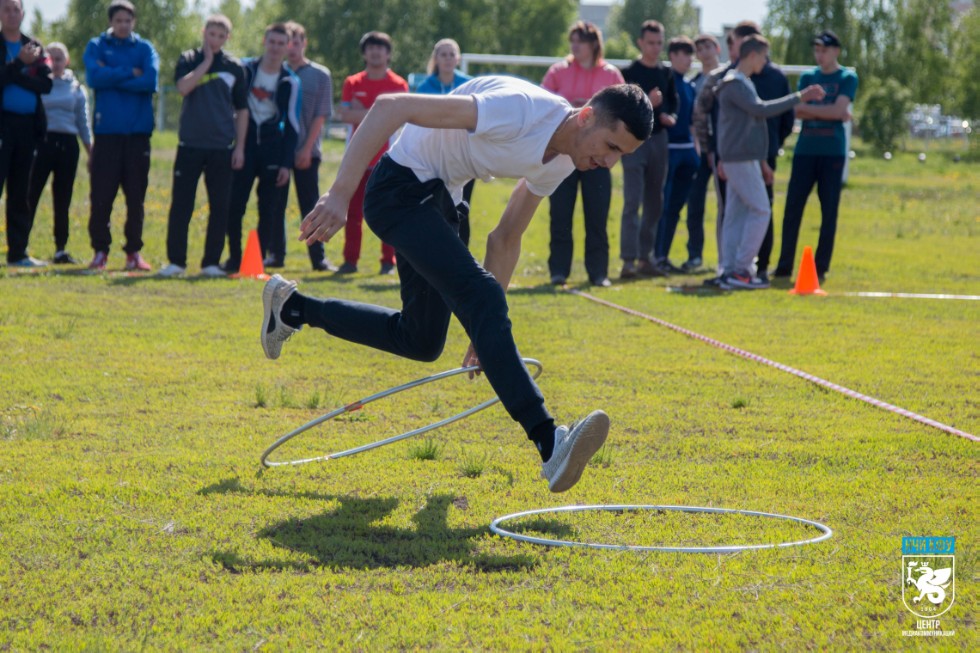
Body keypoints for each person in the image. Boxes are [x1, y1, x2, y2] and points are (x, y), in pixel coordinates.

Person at [261, 77, 653, 492]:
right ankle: (549, 441)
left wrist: (486, 335)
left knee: (422, 340)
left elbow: (505, 237)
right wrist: (340, 193)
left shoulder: (563, 160)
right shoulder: (520, 109)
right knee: (481, 294)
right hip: (398, 190)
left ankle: (292, 308)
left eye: (620, 156)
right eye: (611, 146)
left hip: (443, 200)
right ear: (588, 116)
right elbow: (392, 107)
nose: (609, 163)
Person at [714, 35, 824, 289]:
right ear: (753, 55)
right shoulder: (735, 83)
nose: (765, 61)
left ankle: (729, 270)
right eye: (764, 56)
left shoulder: (741, 82)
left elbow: (749, 123)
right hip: (740, 159)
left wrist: (761, 161)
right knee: (761, 210)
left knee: (736, 214)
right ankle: (741, 270)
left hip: (740, 158)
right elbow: (761, 110)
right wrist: (800, 97)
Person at [158, 14, 247, 278]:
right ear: (203, 32)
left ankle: (211, 263)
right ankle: (176, 262)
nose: (215, 39)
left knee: (220, 206)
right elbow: (184, 88)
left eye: (221, 36)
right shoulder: (188, 59)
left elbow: (242, 110)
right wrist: (206, 62)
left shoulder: (235, 67)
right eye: (212, 34)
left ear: (227, 38)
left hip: (222, 147)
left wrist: (239, 147)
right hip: (190, 145)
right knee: (181, 205)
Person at [541, 21, 623, 287]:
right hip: (563, 155)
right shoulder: (557, 72)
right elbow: (543, 106)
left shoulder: (611, 75)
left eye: (581, 41)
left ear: (594, 45)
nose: (575, 46)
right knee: (560, 215)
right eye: (572, 41)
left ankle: (598, 273)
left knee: (597, 216)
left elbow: (624, 114)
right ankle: (558, 272)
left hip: (599, 158)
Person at [775, 30, 857, 283]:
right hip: (804, 152)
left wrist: (821, 111)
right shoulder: (808, 77)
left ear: (835, 51)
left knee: (828, 210)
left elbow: (838, 110)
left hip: (832, 153)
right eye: (817, 50)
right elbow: (796, 109)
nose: (819, 55)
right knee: (792, 210)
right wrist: (828, 112)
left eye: (824, 50)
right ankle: (784, 266)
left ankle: (820, 267)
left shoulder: (847, 77)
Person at [84, 0, 159, 272]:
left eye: (128, 20)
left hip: (138, 135)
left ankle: (133, 254)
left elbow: (150, 81)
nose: (123, 25)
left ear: (133, 22)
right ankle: (100, 252)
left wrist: (112, 75)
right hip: (106, 135)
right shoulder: (96, 46)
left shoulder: (144, 48)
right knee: (101, 195)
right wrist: (129, 73)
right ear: (111, 22)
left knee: (135, 198)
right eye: (118, 20)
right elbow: (94, 78)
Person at [221, 22, 299, 273]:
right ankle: (233, 259)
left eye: (281, 43)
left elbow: (293, 125)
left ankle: (258, 262)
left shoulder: (291, 81)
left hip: (273, 150)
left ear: (288, 47)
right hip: (243, 148)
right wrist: (236, 147)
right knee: (234, 205)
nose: (275, 48)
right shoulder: (245, 69)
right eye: (272, 42)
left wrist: (287, 164)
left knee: (269, 209)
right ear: (264, 42)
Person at [335, 31, 407, 275]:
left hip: (388, 160)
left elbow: (400, 119)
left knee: (388, 212)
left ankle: (389, 262)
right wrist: (379, 113)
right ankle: (349, 262)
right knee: (353, 214)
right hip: (356, 160)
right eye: (371, 47)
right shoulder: (352, 83)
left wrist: (362, 111)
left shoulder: (398, 85)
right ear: (364, 52)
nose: (376, 52)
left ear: (388, 54)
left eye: (381, 48)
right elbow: (344, 115)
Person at [618, 20, 676, 279]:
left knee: (655, 201)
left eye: (659, 43)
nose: (655, 48)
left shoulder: (667, 73)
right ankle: (628, 262)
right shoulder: (629, 72)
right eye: (650, 43)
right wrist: (648, 104)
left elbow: (674, 104)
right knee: (632, 201)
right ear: (641, 43)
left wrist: (669, 116)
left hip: (660, 142)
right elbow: (622, 111)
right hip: (633, 143)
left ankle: (646, 258)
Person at [27, 41, 90, 266]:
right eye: (50, 58)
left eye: (59, 58)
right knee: (30, 193)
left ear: (67, 61)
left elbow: (83, 122)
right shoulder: (38, 83)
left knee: (62, 198)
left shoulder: (76, 88)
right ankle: (20, 245)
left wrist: (90, 150)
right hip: (42, 142)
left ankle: (60, 249)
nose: (55, 62)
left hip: (68, 145)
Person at [1, 0, 52, 268]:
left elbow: (46, 85)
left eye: (16, 9)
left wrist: (15, 72)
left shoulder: (34, 46)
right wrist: (19, 65)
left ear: (23, 13)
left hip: (28, 129)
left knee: (21, 192)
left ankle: (18, 254)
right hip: (2, 126)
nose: (12, 13)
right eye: (6, 8)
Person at [285, 21, 336, 272]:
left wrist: (305, 148)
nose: (291, 47)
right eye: (287, 41)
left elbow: (321, 115)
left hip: (308, 151)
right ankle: (274, 255)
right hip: (278, 150)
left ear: (304, 43)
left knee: (310, 206)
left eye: (296, 41)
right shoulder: (275, 71)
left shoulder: (320, 74)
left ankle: (318, 259)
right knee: (273, 204)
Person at [415, 38, 475, 246]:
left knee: (461, 207)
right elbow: (419, 120)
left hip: (464, 156)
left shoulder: (469, 84)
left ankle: (462, 255)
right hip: (434, 157)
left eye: (452, 54)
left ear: (457, 58)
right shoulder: (425, 86)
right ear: (436, 59)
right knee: (434, 208)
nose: (448, 58)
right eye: (443, 54)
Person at [653, 37, 699, 273]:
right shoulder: (665, 81)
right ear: (672, 55)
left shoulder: (690, 86)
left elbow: (692, 122)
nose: (689, 59)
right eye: (684, 54)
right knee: (661, 205)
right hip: (668, 151)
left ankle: (664, 255)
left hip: (687, 153)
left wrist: (696, 152)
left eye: (691, 54)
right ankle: (655, 255)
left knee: (675, 208)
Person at [682, 33, 720, 272]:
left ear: (716, 48)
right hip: (700, 151)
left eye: (707, 47)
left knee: (727, 205)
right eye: (699, 49)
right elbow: (691, 120)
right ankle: (694, 254)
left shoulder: (728, 78)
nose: (704, 52)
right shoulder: (693, 83)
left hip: (723, 151)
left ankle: (727, 257)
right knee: (694, 203)